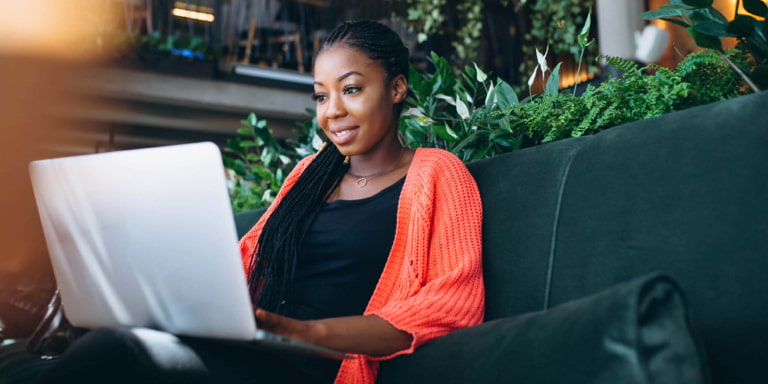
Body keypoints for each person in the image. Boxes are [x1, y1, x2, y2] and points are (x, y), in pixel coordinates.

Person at [34, 20, 484, 384]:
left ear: (397, 88)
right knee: (115, 341)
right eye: (321, 96)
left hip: (316, 362)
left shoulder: (437, 173)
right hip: (257, 347)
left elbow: (450, 305)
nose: (332, 111)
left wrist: (301, 332)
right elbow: (241, 264)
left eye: (351, 89)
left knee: (119, 353)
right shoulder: (309, 174)